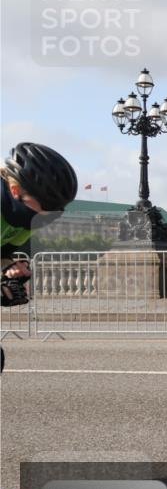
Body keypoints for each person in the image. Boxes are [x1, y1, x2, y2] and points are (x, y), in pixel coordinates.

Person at [1, 142, 78, 370]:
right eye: (46, 205)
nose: (50, 213)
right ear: (15, 191)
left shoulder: (28, 217)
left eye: (58, 208)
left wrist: (9, 267)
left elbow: (2, 253)